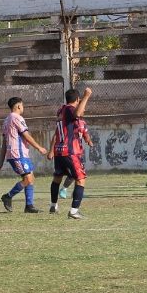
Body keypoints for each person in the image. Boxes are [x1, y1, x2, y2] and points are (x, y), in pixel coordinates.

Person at [0, 97, 48, 213]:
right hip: (18, 154)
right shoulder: (17, 118)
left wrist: (0, 161)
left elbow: (4, 143)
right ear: (18, 106)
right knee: (28, 179)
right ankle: (8, 196)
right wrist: (39, 147)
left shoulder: (6, 120)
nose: (23, 108)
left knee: (29, 177)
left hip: (17, 154)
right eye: (22, 106)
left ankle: (29, 206)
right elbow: (26, 135)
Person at [47, 88, 93, 219]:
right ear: (77, 100)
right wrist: (86, 96)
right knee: (81, 179)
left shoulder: (61, 111)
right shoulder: (69, 109)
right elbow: (77, 113)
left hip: (59, 151)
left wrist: (51, 151)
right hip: (70, 151)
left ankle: (53, 205)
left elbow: (58, 132)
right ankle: (73, 211)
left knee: (57, 177)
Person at [59, 117, 93, 199]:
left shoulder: (82, 123)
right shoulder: (70, 122)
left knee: (79, 174)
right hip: (71, 152)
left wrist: (89, 140)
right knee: (74, 174)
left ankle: (75, 192)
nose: (83, 110)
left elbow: (85, 134)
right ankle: (64, 189)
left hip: (78, 152)